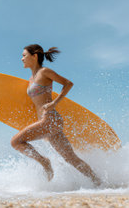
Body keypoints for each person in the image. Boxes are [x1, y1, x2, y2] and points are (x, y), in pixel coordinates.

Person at [10, 44, 101, 185]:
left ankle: (44, 162)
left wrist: (54, 103)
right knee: (71, 158)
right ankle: (98, 182)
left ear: (34, 56)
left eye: (24, 55)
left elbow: (68, 83)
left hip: (49, 119)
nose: (21, 58)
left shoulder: (44, 72)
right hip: (48, 123)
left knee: (16, 142)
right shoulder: (31, 79)